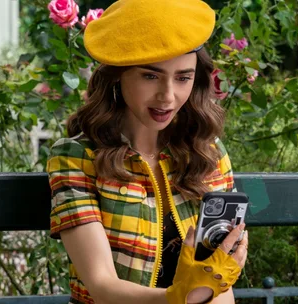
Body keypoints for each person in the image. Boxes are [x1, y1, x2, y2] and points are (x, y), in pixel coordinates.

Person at [46, 0, 249, 303]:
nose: (168, 96)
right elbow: (101, 286)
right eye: (150, 76)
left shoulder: (207, 152)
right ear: (118, 74)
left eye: (183, 77)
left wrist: (206, 289)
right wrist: (181, 298)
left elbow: (220, 285)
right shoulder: (76, 156)